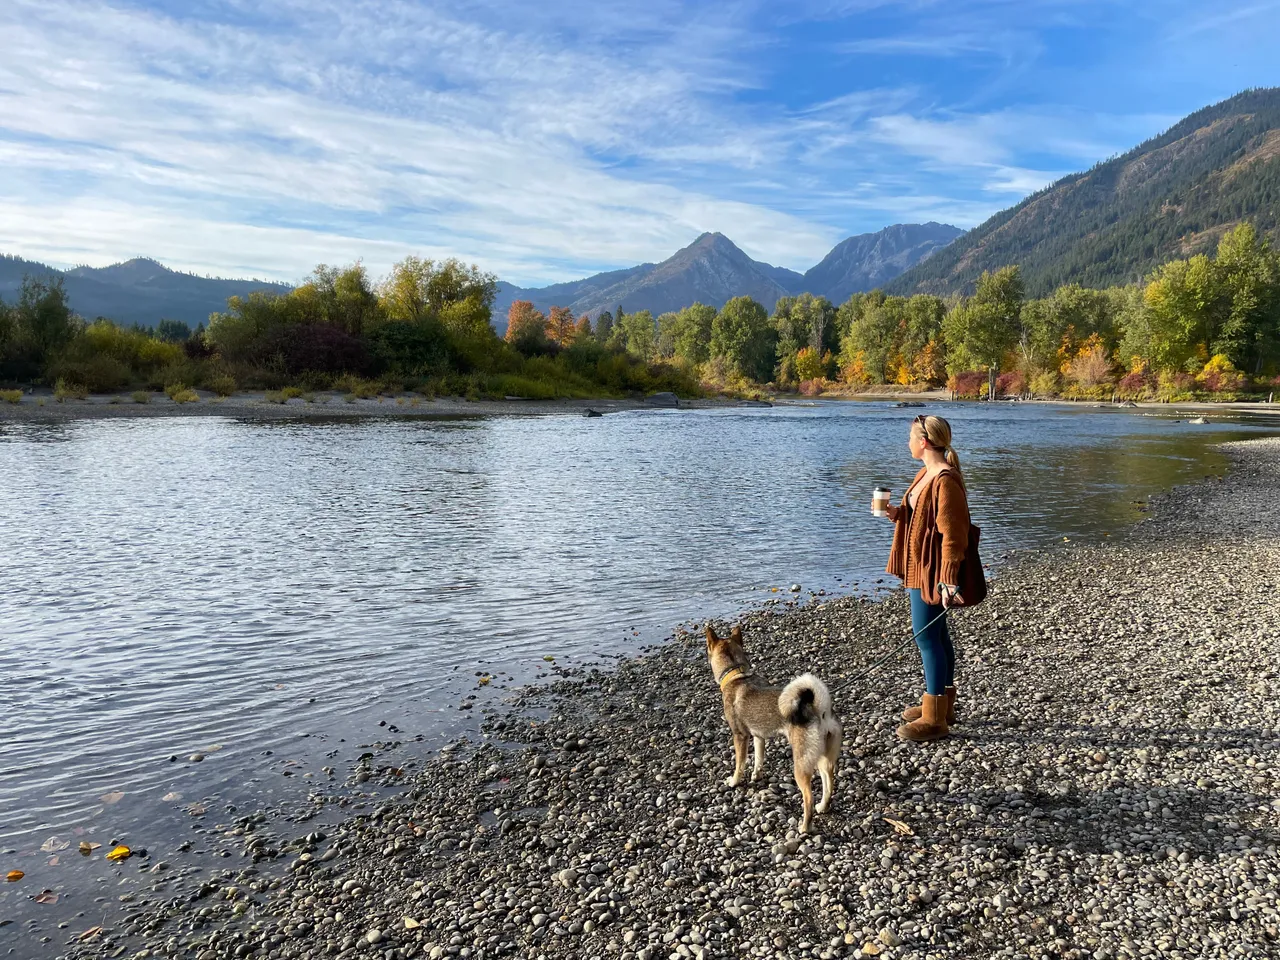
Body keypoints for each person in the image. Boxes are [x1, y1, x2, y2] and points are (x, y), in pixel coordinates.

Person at [882, 414, 970, 742]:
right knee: (938, 635)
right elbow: (923, 516)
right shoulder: (925, 472)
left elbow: (954, 532)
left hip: (932, 570)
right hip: (921, 566)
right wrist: (899, 514)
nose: (907, 443)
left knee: (926, 638)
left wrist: (948, 578)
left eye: (909, 438)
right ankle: (942, 704)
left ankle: (935, 721)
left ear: (923, 442)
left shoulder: (945, 478)